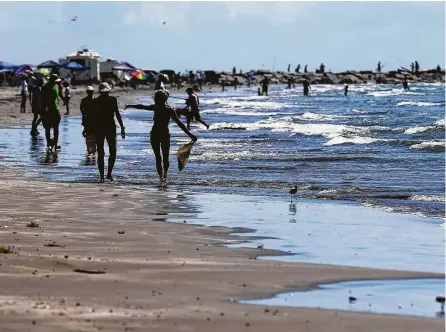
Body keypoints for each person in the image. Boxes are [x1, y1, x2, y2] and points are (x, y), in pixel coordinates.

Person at [124, 90, 197, 180]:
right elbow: (142, 107)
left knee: (160, 157)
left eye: (156, 98)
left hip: (157, 134)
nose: (155, 99)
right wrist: (130, 105)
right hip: (162, 135)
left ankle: (163, 176)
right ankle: (163, 176)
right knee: (163, 157)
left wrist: (190, 135)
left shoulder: (161, 108)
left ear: (160, 99)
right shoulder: (166, 109)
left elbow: (180, 123)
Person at [89, 82, 125, 183]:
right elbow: (92, 117)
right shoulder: (98, 101)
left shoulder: (111, 100)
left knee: (110, 152)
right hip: (104, 128)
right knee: (103, 153)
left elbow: (117, 114)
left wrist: (122, 127)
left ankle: (107, 174)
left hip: (106, 128)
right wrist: (122, 128)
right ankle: (103, 176)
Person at [41, 74, 62, 150]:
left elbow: (57, 99)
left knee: (56, 128)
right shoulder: (44, 88)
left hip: (56, 110)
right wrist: (42, 111)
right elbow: (42, 100)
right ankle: (48, 144)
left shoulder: (56, 86)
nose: (56, 83)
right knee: (47, 128)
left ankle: (55, 144)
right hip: (47, 110)